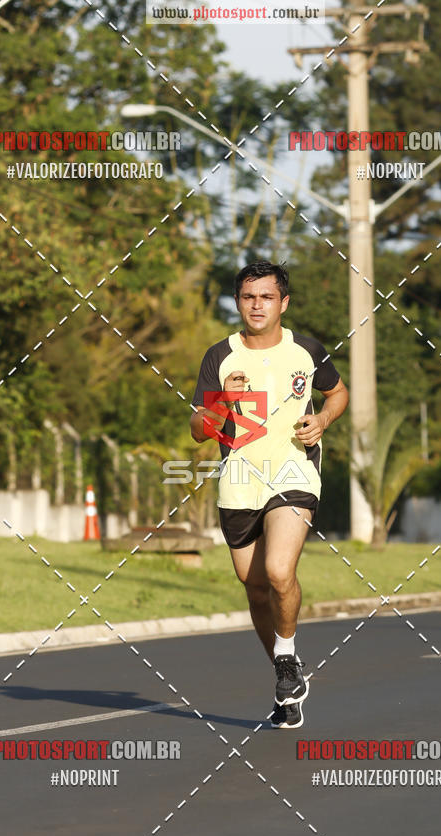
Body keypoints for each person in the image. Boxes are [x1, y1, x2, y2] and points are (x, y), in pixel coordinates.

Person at [190, 261, 348, 728]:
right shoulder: (220, 356)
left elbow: (337, 393)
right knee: (254, 586)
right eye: (247, 297)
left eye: (266, 297)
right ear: (238, 302)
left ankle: (285, 658)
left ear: (284, 303)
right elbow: (199, 430)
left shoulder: (307, 351)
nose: (257, 305)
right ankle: (287, 675)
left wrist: (321, 420)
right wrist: (223, 402)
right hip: (238, 480)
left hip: (294, 472)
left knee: (279, 571)